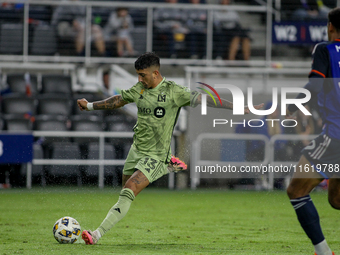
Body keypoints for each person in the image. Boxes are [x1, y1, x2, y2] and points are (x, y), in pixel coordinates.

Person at [77, 52, 263, 245]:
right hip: (136, 149)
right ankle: (169, 166)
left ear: (155, 73)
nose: (139, 79)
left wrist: (242, 108)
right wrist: (90, 106)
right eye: (138, 75)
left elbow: (206, 99)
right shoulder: (140, 88)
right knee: (125, 188)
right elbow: (119, 100)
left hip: (156, 154)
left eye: (143, 75)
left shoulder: (174, 92)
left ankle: (96, 235)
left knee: (130, 189)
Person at [285, 7, 340, 255]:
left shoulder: (325, 50)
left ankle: (324, 252)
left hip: (336, 136)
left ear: (330, 26)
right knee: (336, 200)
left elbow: (316, 83)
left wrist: (294, 105)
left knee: (297, 190)